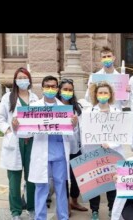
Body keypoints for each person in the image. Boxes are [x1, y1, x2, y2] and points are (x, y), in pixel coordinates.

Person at [23, 75, 77, 220]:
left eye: (53, 86)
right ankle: (40, 218)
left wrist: (74, 125)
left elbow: (71, 136)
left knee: (61, 187)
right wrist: (17, 126)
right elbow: (25, 133)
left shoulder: (64, 109)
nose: (50, 89)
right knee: (41, 188)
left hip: (59, 154)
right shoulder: (34, 108)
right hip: (42, 154)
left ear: (57, 89)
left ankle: (63, 217)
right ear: (42, 88)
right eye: (47, 86)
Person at [0, 67, 39, 220]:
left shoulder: (35, 98)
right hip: (15, 142)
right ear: (15, 80)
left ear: (29, 79)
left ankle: (32, 208)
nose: (22, 80)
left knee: (32, 178)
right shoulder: (8, 97)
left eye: (24, 77)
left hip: (32, 141)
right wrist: (8, 130)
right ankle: (15, 211)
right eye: (19, 77)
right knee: (14, 180)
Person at [84, 81, 125, 219]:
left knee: (112, 181)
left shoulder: (117, 112)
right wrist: (98, 141)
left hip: (112, 152)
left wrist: (110, 144)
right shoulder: (89, 112)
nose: (103, 95)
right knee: (95, 181)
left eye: (105, 93)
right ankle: (94, 210)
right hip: (94, 152)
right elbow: (86, 133)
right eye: (100, 92)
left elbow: (121, 134)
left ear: (110, 95)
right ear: (95, 94)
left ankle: (112, 208)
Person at [56, 78, 88, 216]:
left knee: (76, 177)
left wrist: (74, 125)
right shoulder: (55, 107)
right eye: (65, 89)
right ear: (59, 90)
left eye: (70, 90)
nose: (67, 92)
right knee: (63, 178)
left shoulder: (77, 108)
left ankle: (74, 201)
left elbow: (82, 127)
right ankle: (65, 204)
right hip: (60, 148)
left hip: (76, 147)